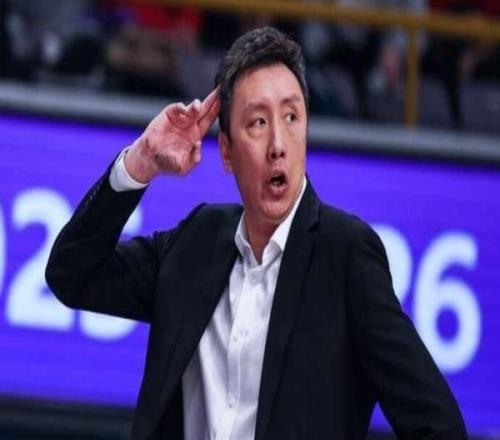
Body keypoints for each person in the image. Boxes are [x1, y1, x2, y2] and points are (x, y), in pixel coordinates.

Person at [46, 27, 467, 440]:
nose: (278, 144)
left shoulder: (345, 255)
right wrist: (139, 162)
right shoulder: (196, 242)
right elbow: (72, 274)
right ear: (227, 152)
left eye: (291, 117)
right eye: (258, 122)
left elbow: (438, 426)